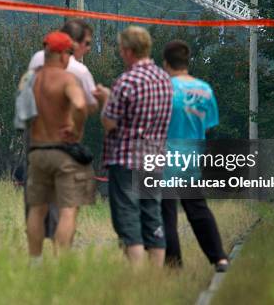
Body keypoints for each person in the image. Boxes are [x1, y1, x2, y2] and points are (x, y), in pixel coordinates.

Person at [96, 26, 173, 268]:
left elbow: (109, 122)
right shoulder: (165, 80)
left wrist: (106, 98)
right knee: (153, 219)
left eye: (121, 49)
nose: (120, 54)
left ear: (128, 51)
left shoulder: (126, 82)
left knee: (129, 220)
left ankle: (138, 278)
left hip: (127, 160)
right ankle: (156, 278)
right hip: (155, 159)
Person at [23, 19, 99, 240]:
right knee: (67, 207)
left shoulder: (37, 59)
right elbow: (85, 104)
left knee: (37, 206)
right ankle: (60, 257)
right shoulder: (78, 70)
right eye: (86, 43)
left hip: (35, 140)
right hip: (64, 143)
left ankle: (35, 257)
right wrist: (76, 128)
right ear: (71, 45)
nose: (87, 49)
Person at [160, 40, 229, 272]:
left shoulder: (163, 89)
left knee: (166, 214)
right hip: (191, 157)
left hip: (165, 157)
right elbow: (208, 125)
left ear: (166, 63)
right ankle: (219, 257)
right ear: (187, 62)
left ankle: (173, 265)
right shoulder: (204, 89)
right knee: (198, 210)